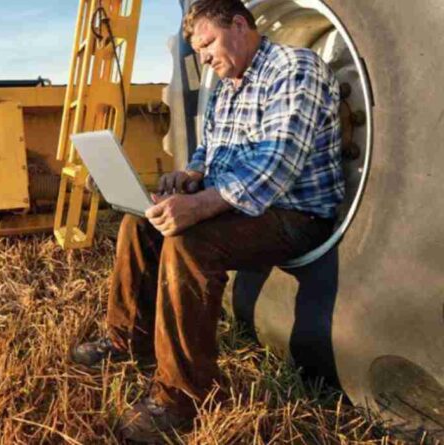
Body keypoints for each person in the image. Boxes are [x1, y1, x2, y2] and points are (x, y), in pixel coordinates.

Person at [70, 0, 345, 442]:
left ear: (239, 25)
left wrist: (199, 207)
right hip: (242, 206)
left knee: (188, 242)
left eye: (208, 43)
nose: (204, 58)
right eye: (198, 49)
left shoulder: (295, 68)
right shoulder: (227, 85)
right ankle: (126, 342)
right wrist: (193, 175)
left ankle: (182, 396)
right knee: (138, 226)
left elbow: (276, 165)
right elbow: (210, 149)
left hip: (294, 213)